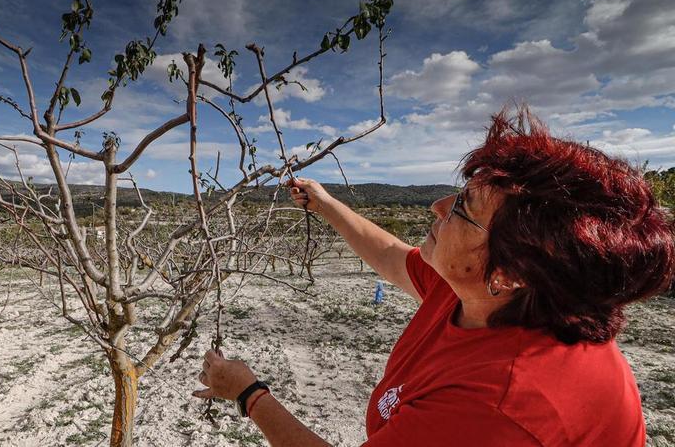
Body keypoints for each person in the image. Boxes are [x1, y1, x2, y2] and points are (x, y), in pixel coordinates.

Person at [193, 107, 675, 446]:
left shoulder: (501, 406)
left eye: (463, 206)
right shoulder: (480, 294)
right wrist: (325, 203)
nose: (438, 206)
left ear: (510, 272)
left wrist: (249, 394)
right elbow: (390, 255)